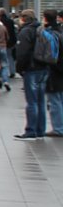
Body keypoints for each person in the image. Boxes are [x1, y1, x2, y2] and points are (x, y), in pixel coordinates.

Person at [14, 9, 49, 140]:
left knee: (31, 102)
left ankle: (31, 130)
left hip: (31, 69)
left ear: (24, 18)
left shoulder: (25, 31)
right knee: (40, 101)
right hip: (44, 68)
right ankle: (40, 130)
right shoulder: (42, 30)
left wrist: (20, 69)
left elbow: (22, 53)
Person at [43, 9, 63, 137]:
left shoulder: (50, 34)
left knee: (54, 100)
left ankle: (58, 128)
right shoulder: (59, 32)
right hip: (60, 69)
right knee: (60, 99)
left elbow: (50, 55)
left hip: (55, 70)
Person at [0, 7, 17, 77]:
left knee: (1, 58)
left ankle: (1, 72)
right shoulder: (10, 21)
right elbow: (13, 32)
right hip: (11, 42)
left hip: (1, 42)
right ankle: (12, 71)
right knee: (10, 56)